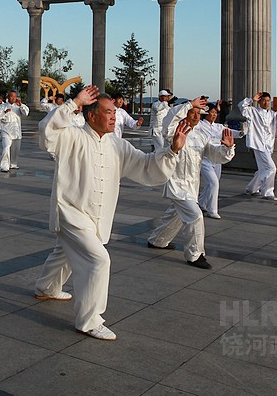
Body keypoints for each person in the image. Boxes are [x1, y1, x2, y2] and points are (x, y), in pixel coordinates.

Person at [34, 85, 190, 340]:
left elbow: (147, 166)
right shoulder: (71, 136)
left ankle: (46, 286)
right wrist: (74, 103)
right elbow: (46, 131)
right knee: (98, 260)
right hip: (71, 212)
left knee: (64, 251)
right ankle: (89, 320)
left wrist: (172, 151)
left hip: (96, 216)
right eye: (107, 112)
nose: (113, 117)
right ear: (91, 115)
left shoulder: (118, 145)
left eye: (115, 112)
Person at [147, 98, 235, 268]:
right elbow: (168, 120)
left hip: (191, 187)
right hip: (176, 184)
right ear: (184, 114)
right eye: (191, 113)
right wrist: (188, 104)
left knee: (177, 216)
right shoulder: (174, 130)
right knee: (195, 216)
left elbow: (215, 154)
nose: (195, 117)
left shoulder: (202, 135)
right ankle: (195, 255)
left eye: (197, 114)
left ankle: (157, 240)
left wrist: (227, 148)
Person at [240, 92, 277, 201]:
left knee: (263, 169)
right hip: (258, 144)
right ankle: (267, 192)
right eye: (264, 100)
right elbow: (242, 107)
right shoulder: (253, 111)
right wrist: (251, 100)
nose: (266, 103)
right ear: (259, 101)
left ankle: (251, 188)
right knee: (271, 168)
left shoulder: (273, 114)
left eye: (268, 101)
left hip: (268, 145)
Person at [197, 102, 243, 219]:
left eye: (215, 113)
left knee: (212, 183)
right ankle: (212, 210)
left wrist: (242, 132)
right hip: (205, 158)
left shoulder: (219, 127)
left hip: (217, 157)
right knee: (213, 183)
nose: (214, 115)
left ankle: (201, 202)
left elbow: (230, 132)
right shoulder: (200, 125)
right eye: (211, 112)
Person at [0, 90, 30, 172]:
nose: (13, 98)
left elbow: (26, 113)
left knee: (16, 149)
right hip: (6, 130)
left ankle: (13, 164)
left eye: (15, 96)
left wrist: (21, 105)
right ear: (8, 97)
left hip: (16, 131)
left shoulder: (19, 106)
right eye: (11, 96)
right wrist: (4, 112)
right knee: (6, 147)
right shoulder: (3, 106)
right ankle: (4, 166)